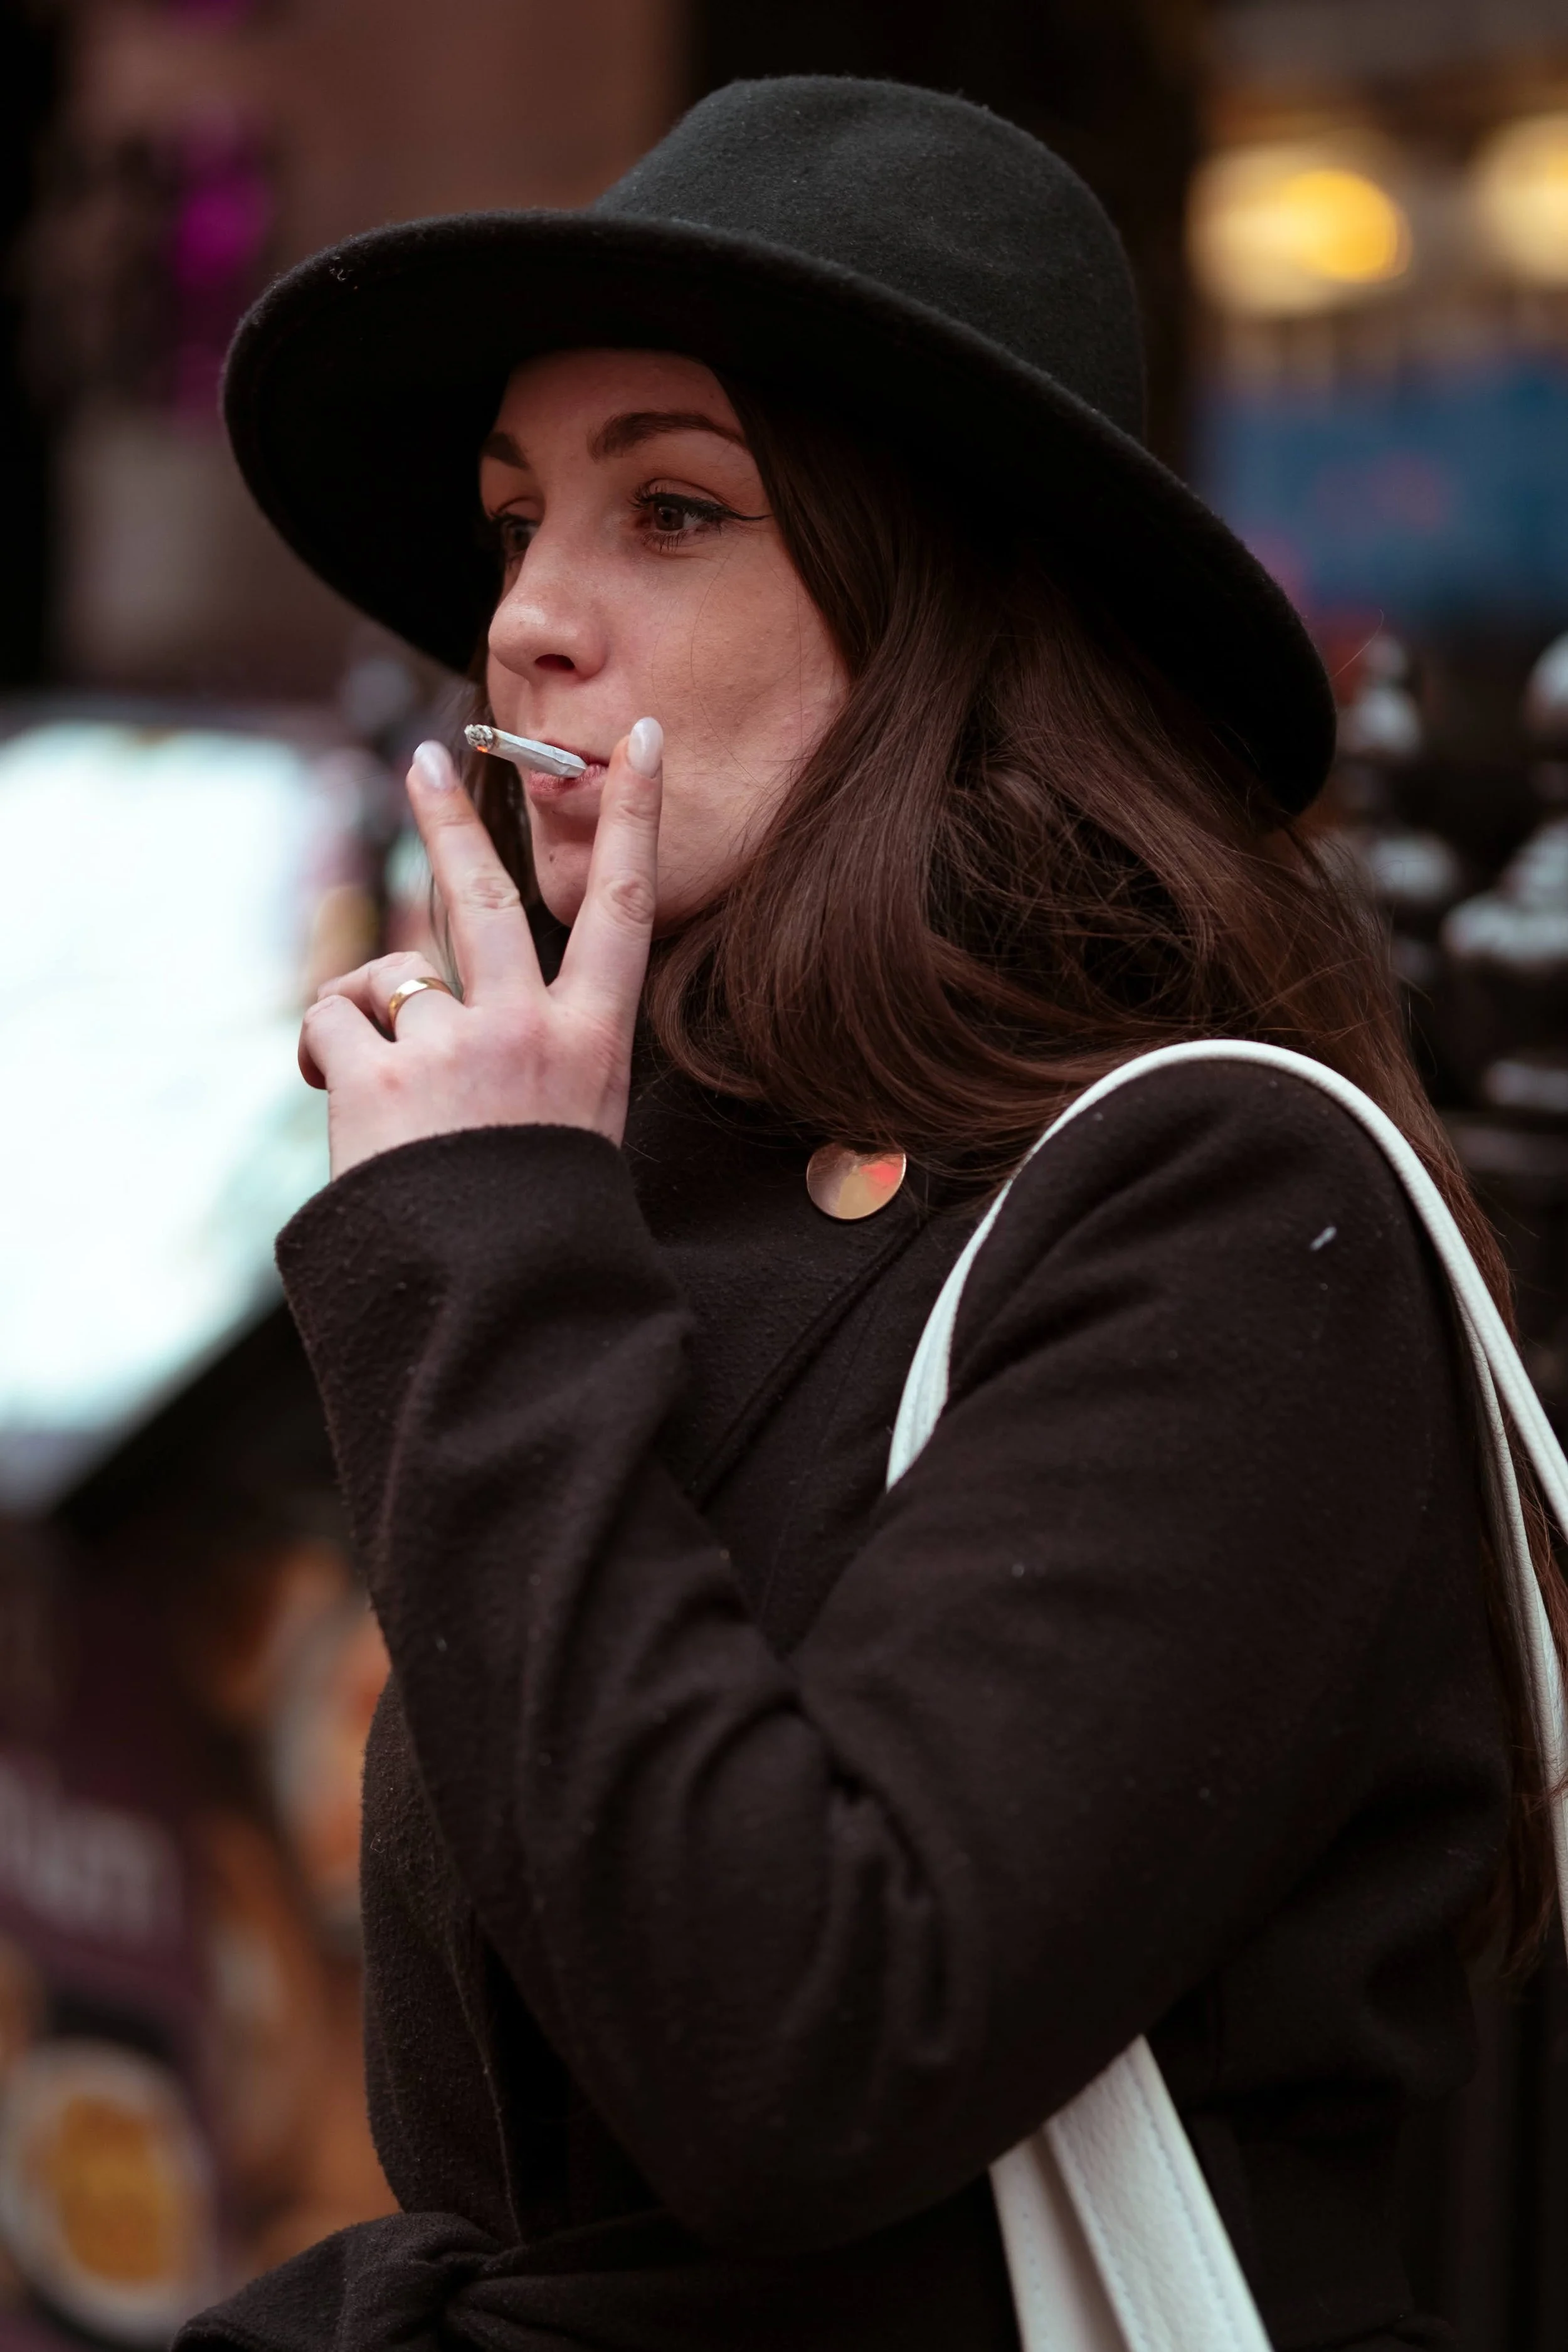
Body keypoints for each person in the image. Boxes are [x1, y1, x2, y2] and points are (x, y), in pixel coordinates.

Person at [184, 77, 1560, 2352]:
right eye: (518, 516)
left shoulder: (1217, 1205)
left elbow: (791, 2051)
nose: (527, 612)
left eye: (676, 509)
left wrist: (490, 1245)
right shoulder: (625, 1202)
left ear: (954, 613)